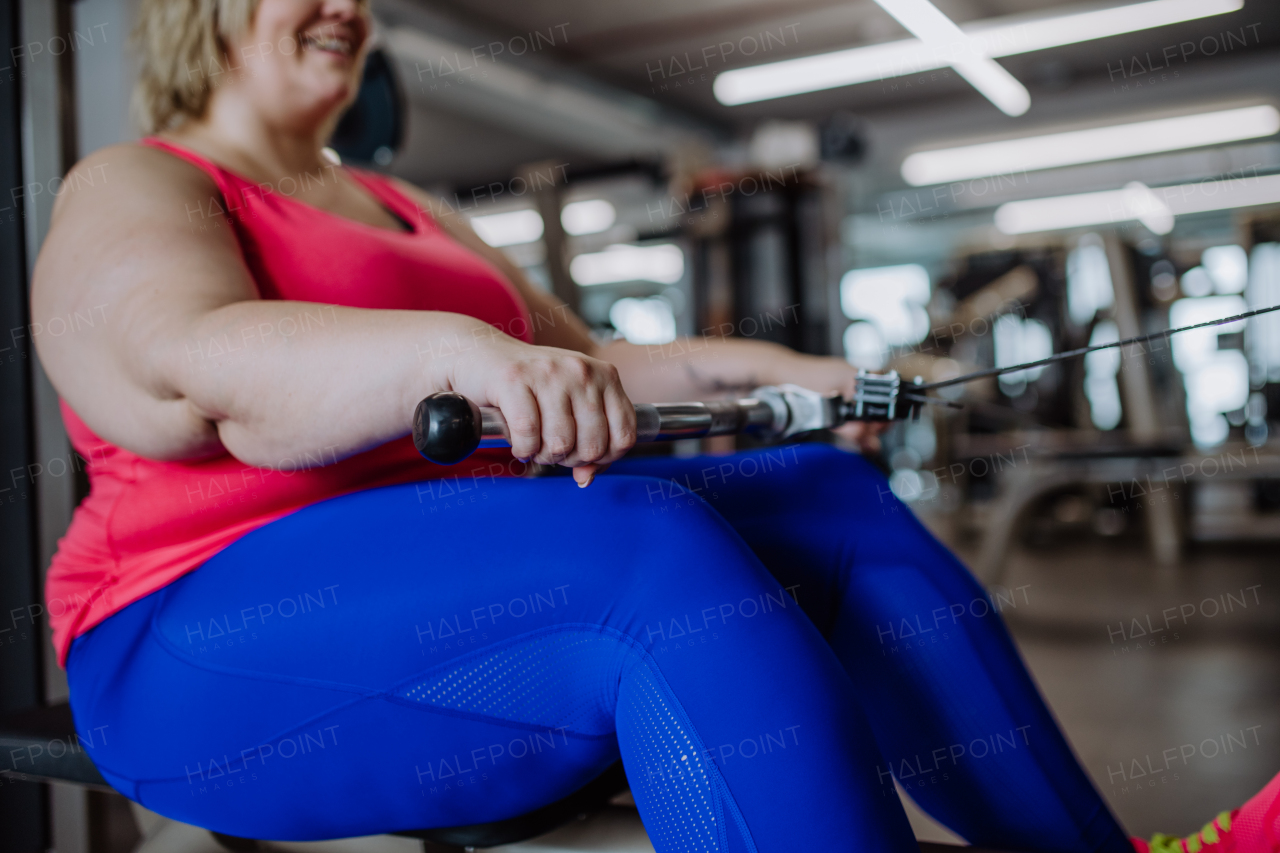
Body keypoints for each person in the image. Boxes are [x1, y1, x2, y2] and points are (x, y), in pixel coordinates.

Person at [30, 0, 1278, 850]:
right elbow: (187, 368)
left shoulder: (398, 203)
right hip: (192, 631)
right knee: (640, 540)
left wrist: (803, 374)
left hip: (470, 571)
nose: (345, 2)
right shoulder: (142, 179)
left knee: (818, 496)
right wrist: (453, 349)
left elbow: (602, 364)